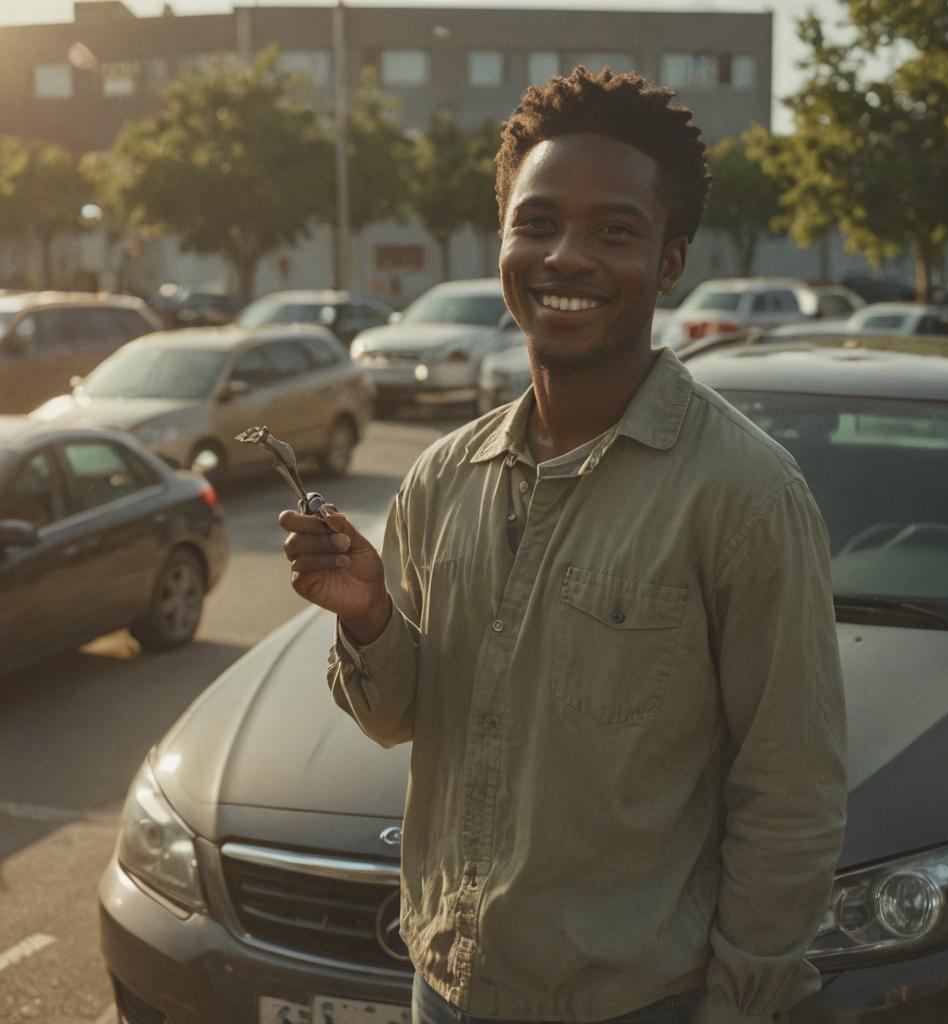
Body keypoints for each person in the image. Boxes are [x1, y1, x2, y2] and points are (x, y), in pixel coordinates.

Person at [280, 66, 846, 1024]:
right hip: (444, 987)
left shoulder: (746, 496)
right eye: (536, 223)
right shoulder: (440, 478)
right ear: (502, 240)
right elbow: (401, 719)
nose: (565, 256)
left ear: (668, 262)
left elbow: (790, 796)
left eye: (612, 231)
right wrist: (372, 618)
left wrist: (741, 1007)